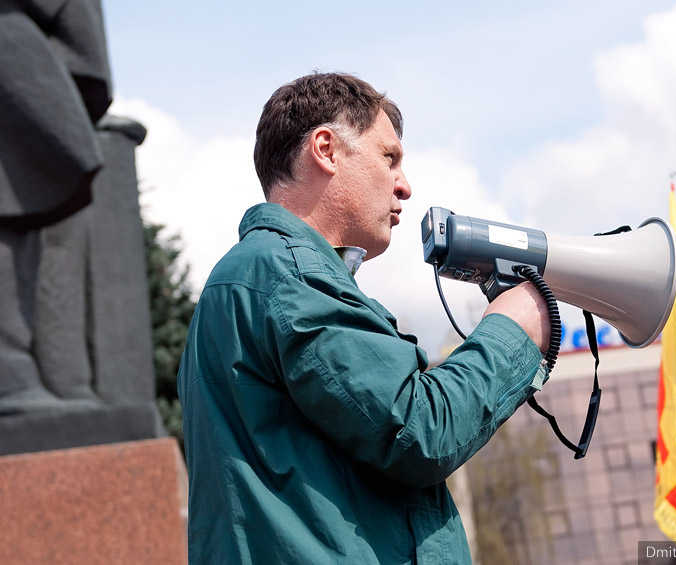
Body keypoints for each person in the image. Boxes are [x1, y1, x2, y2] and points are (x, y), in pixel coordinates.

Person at [178, 72, 551, 564]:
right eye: (388, 157)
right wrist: (513, 329)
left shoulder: (258, 276)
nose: (405, 186)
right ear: (326, 149)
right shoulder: (288, 275)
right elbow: (420, 430)